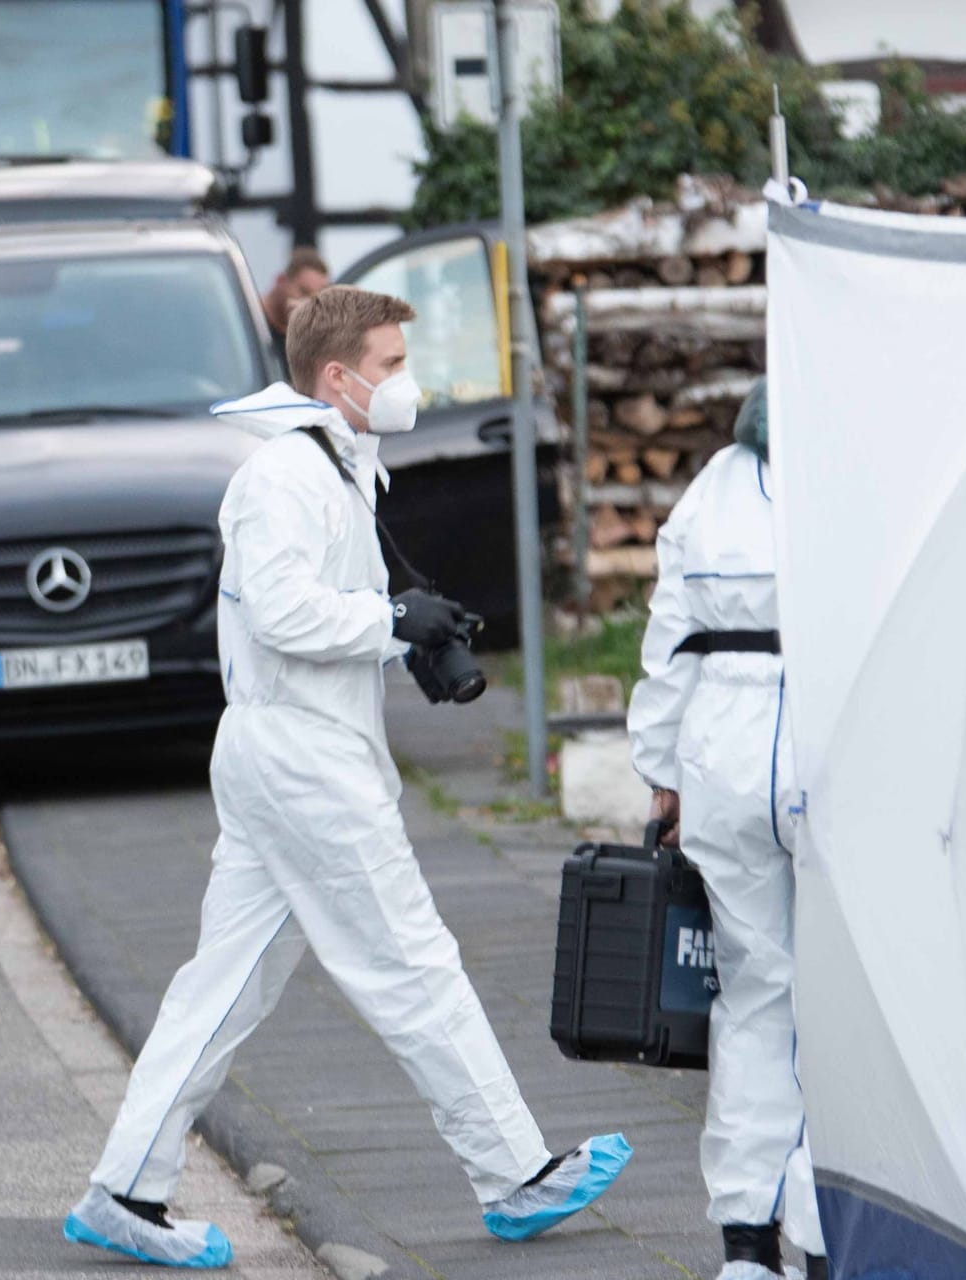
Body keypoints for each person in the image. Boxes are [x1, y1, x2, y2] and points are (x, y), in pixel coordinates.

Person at [64, 286, 633, 1269]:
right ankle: (510, 1171)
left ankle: (125, 1186)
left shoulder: (333, 465)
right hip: (302, 759)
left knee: (223, 988)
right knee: (412, 962)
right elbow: (284, 612)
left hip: (289, 752)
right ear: (339, 376)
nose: (407, 380)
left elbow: (313, 610)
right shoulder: (287, 475)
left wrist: (400, 632)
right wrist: (388, 625)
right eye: (393, 361)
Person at [627, 379, 826, 1280]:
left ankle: (747, 1243)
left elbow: (668, 643)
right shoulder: (856, 475)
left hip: (723, 754)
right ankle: (823, 1232)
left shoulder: (711, 486)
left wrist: (661, 776)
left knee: (751, 994)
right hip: (828, 745)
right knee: (843, 1012)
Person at [259, 246, 328, 376]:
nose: (305, 304)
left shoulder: (303, 341)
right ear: (281, 280)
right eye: (303, 292)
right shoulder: (243, 322)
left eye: (314, 299)